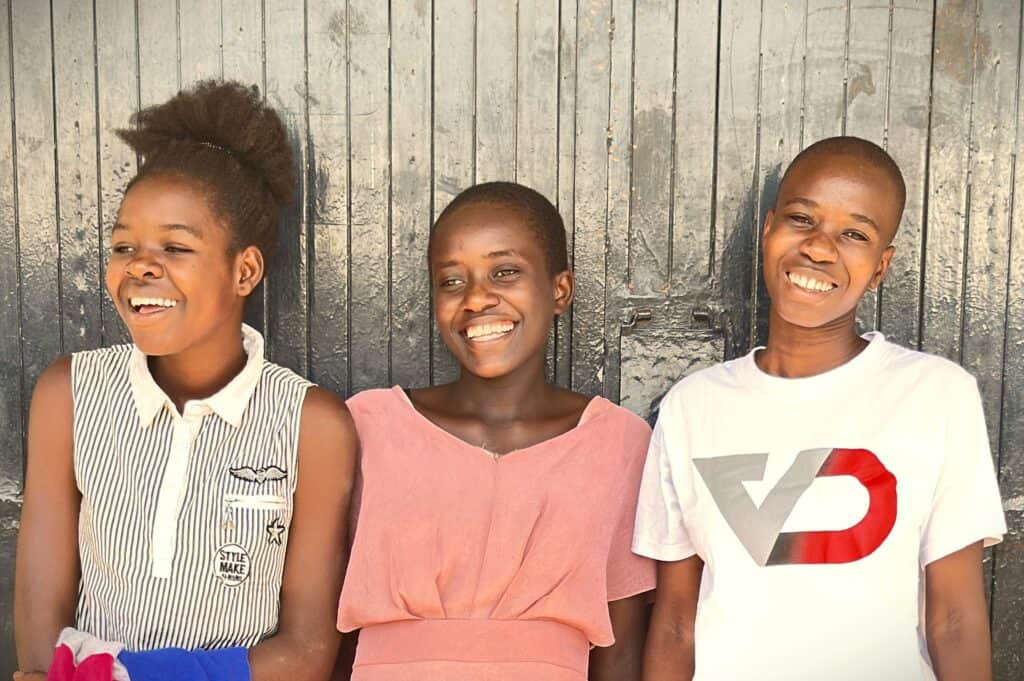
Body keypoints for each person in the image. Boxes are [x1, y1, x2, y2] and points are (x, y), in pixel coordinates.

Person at [14, 80, 357, 681]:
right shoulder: (69, 394)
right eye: (124, 245)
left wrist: (137, 677)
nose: (140, 265)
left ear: (244, 269)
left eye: (175, 246)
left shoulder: (311, 424)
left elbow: (307, 654)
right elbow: (42, 632)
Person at [634, 136, 1007, 681]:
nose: (819, 247)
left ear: (880, 267)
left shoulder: (935, 395)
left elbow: (954, 619)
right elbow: (674, 626)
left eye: (854, 233)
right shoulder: (694, 406)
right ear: (767, 230)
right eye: (801, 219)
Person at [336, 182, 656, 681]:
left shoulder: (619, 444)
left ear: (559, 290)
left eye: (504, 272)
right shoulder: (368, 427)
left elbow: (622, 650)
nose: (477, 299)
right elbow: (329, 636)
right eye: (451, 281)